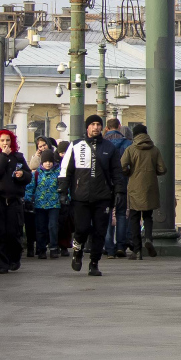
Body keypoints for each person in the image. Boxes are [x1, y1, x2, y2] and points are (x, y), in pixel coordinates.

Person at [59, 114, 124, 276]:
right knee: (81, 229)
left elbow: (117, 172)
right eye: (93, 124)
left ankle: (94, 263)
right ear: (87, 127)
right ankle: (77, 251)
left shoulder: (109, 148)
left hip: (102, 197)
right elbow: (65, 171)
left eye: (98, 124)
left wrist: (119, 191)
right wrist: (62, 191)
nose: (96, 127)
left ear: (102, 127)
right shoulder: (76, 146)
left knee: (100, 231)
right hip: (80, 197)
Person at [0, 129, 31, 274]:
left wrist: (22, 175)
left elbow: (28, 176)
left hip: (14, 200)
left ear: (12, 142)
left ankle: (14, 259)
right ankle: (1, 264)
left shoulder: (18, 157)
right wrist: (3, 155)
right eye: (2, 141)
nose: (5, 143)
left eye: (8, 140)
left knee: (14, 232)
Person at [120, 123, 166, 259]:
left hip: (134, 187)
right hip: (150, 186)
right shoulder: (154, 150)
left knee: (134, 218)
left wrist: (129, 172)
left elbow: (122, 165)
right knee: (148, 216)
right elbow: (162, 169)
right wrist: (154, 172)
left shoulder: (130, 149)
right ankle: (148, 239)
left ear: (134, 135)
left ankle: (137, 250)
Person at [103, 118, 133, 259]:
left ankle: (109, 249)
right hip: (123, 183)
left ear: (107, 128)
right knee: (121, 214)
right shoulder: (128, 144)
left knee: (107, 215)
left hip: (106, 184)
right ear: (119, 127)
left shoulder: (103, 144)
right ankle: (121, 246)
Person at [25, 145, 62, 259]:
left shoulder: (58, 173)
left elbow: (64, 186)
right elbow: (30, 187)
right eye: (45, 161)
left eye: (50, 161)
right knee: (40, 227)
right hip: (40, 204)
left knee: (52, 226)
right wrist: (27, 199)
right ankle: (41, 249)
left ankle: (54, 248)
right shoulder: (36, 174)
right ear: (42, 162)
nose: (48, 164)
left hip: (54, 204)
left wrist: (66, 197)